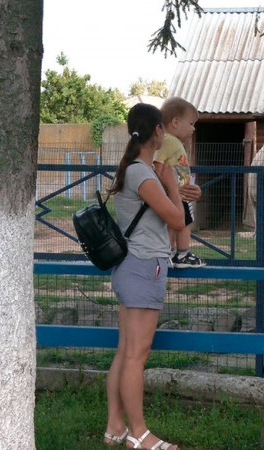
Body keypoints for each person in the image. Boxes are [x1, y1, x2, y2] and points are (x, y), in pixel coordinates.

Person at [103, 103, 184, 450]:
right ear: (158, 132)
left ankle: (115, 427)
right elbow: (177, 221)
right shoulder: (144, 174)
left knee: (125, 352)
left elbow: (162, 212)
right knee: (137, 354)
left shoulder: (134, 170)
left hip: (131, 267)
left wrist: (172, 190)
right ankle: (139, 433)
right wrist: (173, 185)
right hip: (144, 266)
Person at [155, 96, 205, 268]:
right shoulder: (169, 141)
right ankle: (180, 254)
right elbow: (158, 165)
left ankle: (171, 252)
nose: (193, 128)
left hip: (180, 193)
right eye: (191, 123)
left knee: (178, 223)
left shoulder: (171, 141)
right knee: (184, 222)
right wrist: (169, 188)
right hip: (176, 194)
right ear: (175, 122)